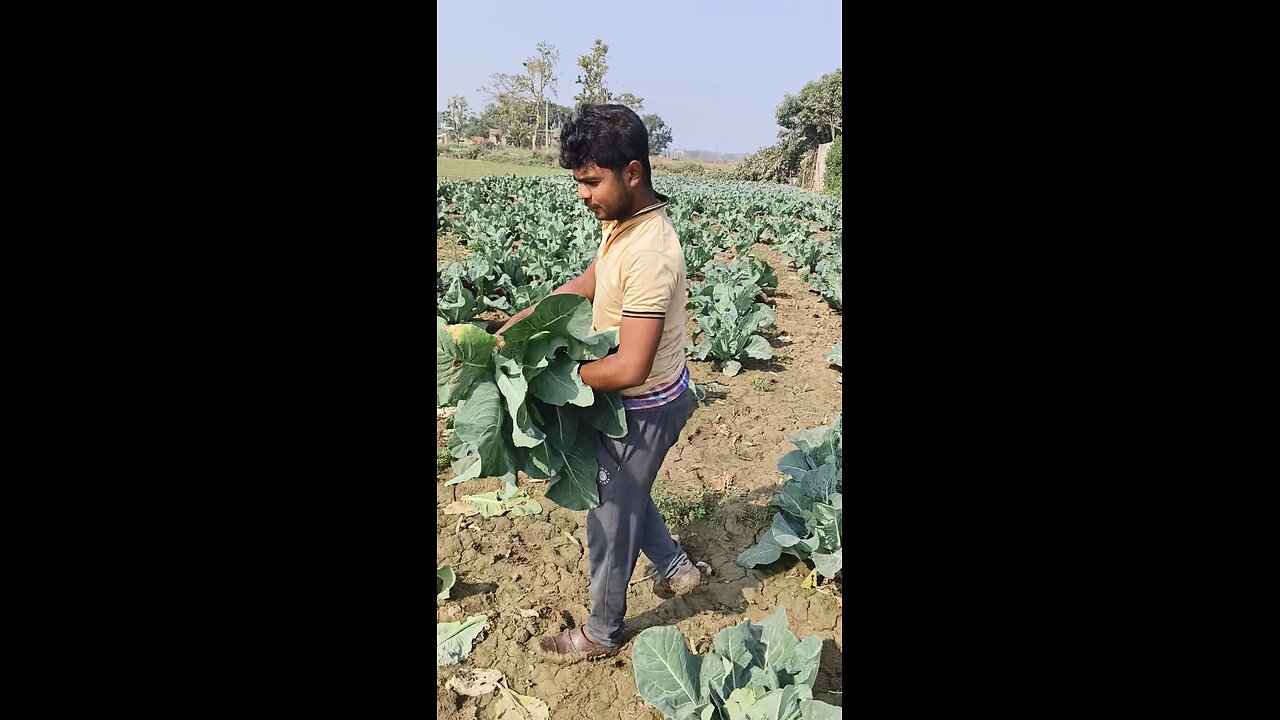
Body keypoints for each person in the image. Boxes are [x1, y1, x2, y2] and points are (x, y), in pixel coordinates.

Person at [494, 104, 703, 663]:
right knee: (625, 491)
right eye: (578, 181)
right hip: (629, 399)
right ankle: (676, 568)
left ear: (632, 172)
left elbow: (631, 367)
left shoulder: (652, 252)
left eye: (591, 181)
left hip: (642, 405)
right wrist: (520, 326)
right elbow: (589, 282)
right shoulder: (621, 224)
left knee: (609, 517)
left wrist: (547, 378)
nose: (583, 194)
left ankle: (601, 632)